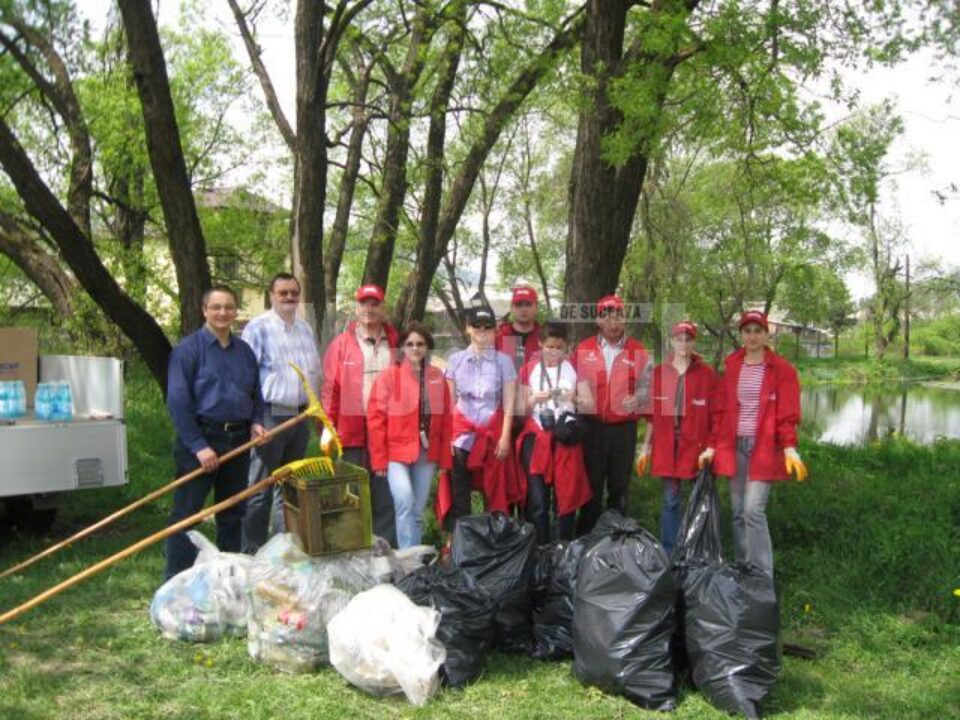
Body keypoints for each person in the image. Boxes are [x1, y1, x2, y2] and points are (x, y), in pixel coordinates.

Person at [164, 285, 265, 580]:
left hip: (238, 441)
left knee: (233, 513)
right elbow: (178, 402)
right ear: (205, 310)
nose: (223, 313)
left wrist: (257, 422)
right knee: (187, 515)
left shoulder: (244, 352)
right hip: (201, 441)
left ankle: (228, 579)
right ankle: (176, 580)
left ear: (235, 312)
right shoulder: (188, 351)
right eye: (217, 307)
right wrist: (199, 446)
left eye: (229, 307)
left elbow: (256, 395)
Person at [706, 310, 807, 575]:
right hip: (735, 446)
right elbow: (720, 411)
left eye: (757, 331)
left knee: (753, 511)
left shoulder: (781, 369)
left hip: (763, 448)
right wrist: (712, 445)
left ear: (766, 334)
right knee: (738, 512)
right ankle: (743, 568)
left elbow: (787, 413)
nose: (752, 336)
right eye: (747, 331)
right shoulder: (732, 366)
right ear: (741, 334)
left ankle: (762, 576)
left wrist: (789, 446)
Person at [239, 273, 321, 554]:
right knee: (260, 487)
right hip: (271, 416)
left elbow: (313, 372)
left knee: (287, 488)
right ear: (271, 295)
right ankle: (252, 552)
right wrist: (254, 420)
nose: (289, 298)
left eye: (293, 293)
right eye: (283, 293)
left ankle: (280, 551)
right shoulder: (258, 327)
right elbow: (246, 377)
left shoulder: (305, 329)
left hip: (300, 416)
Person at [321, 283, 399, 546]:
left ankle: (384, 548)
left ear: (383, 307)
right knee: (351, 492)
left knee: (385, 493)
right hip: (351, 429)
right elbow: (330, 388)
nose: (369, 309)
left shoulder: (396, 341)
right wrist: (327, 425)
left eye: (374, 303)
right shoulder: (341, 344)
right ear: (356, 307)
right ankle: (351, 548)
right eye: (364, 303)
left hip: (387, 431)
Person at [636, 321, 722, 555]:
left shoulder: (707, 375)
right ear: (672, 342)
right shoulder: (659, 374)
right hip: (667, 446)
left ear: (694, 342)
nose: (684, 343)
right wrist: (645, 448)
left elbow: (717, 416)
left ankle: (697, 552)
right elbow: (652, 417)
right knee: (670, 501)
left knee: (699, 502)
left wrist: (712, 447)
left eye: (688, 339)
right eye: (679, 338)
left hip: (696, 447)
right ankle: (669, 552)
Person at [367, 322, 452, 548]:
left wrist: (444, 459)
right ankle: (407, 562)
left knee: (417, 510)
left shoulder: (436, 377)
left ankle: (414, 559)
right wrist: (378, 460)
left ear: (427, 347)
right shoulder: (388, 377)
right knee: (404, 500)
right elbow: (376, 420)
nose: (415, 348)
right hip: (396, 452)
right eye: (410, 344)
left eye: (421, 344)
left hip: (426, 452)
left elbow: (445, 420)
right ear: (402, 347)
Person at [572, 295, 652, 536]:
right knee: (591, 489)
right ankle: (587, 541)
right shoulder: (584, 348)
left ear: (624, 318)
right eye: (607, 315)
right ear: (598, 319)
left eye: (617, 314)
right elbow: (571, 385)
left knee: (619, 488)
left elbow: (650, 392)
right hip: (591, 428)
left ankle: (616, 544)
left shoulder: (638, 351)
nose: (612, 321)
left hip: (623, 430)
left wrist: (638, 399)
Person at [440, 305, 519, 533]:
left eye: (487, 327)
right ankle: (462, 542)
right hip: (462, 436)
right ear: (468, 328)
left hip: (492, 436)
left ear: (494, 331)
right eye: (477, 326)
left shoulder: (503, 361)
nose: (482, 331)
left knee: (493, 492)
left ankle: (493, 542)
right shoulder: (455, 360)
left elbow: (509, 403)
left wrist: (505, 437)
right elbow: (449, 403)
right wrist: (448, 438)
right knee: (459, 494)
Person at [517, 320, 593, 543]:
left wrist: (575, 398)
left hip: (565, 436)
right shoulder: (528, 368)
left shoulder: (575, 368)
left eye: (559, 347)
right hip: (537, 436)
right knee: (538, 500)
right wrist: (532, 399)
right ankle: (540, 550)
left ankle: (562, 549)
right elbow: (519, 409)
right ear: (540, 344)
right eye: (550, 347)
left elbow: (590, 405)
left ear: (566, 347)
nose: (554, 352)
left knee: (566, 498)